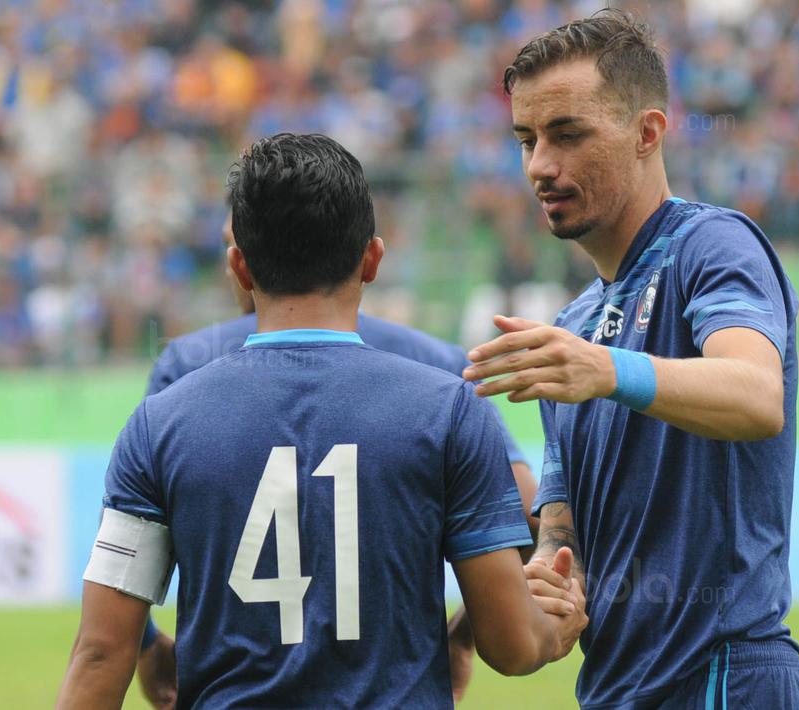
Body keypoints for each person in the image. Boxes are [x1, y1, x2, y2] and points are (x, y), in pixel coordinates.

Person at [58, 133, 585, 708]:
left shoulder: (158, 424)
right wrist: (554, 625)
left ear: (240, 266)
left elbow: (102, 652)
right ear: (373, 259)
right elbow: (510, 645)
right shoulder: (450, 411)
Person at [461, 10, 799, 709]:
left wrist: (604, 370)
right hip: (615, 689)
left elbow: (754, 395)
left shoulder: (711, 246)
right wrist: (547, 581)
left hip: (721, 678)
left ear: (646, 133)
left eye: (567, 134)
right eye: (525, 139)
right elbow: (562, 537)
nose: (539, 165)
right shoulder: (572, 326)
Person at [135, 214, 540, 708]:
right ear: (366, 257)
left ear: (242, 263)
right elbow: (523, 510)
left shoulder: (186, 365)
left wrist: (148, 647)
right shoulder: (436, 366)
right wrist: (460, 635)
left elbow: (129, 545)